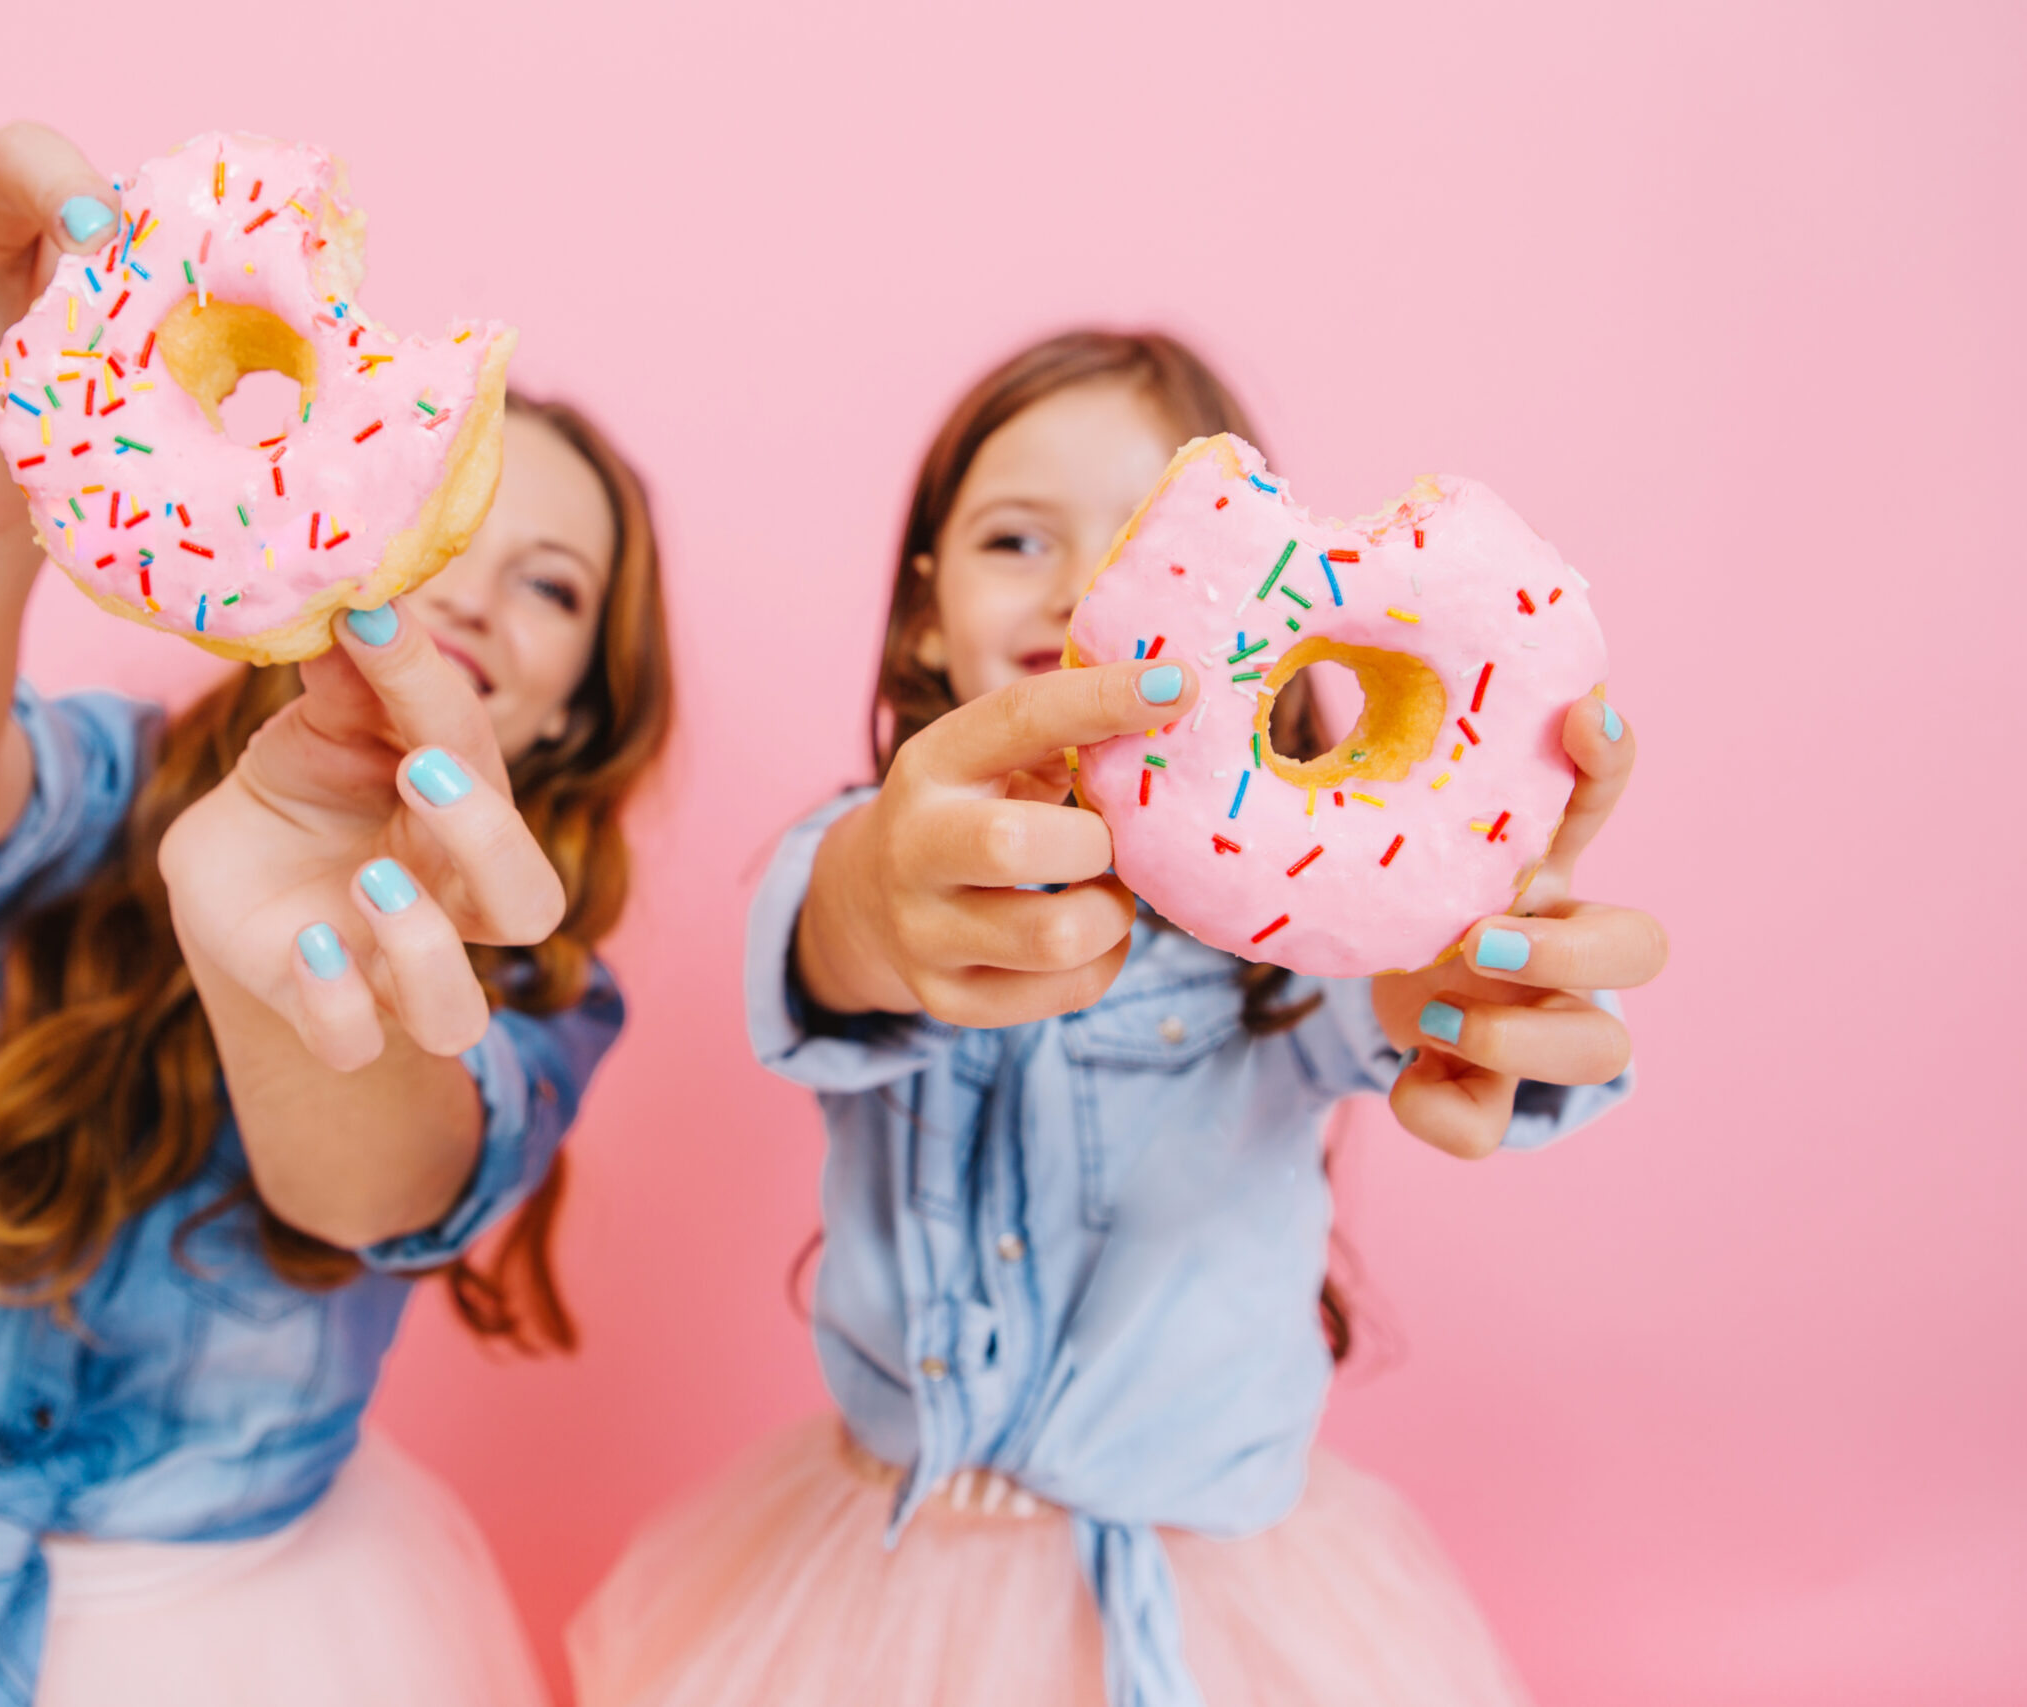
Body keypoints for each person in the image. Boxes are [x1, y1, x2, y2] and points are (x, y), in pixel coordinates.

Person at [0, 12, 670, 1704]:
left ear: (583, 705)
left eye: (555, 583)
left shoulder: (548, 979)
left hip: (256, 1629)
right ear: (285, 539)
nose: (482, 592)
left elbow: (369, 1194)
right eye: (441, 517)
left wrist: (286, 956)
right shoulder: (112, 788)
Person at [570, 330, 1663, 1707]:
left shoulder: (1304, 909)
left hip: (1216, 1592)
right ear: (922, 616)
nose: (1090, 583)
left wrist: (1480, 964)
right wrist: (874, 902)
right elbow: (833, 932)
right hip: (891, 1583)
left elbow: (1395, 989)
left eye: (1155, 542)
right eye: (1017, 539)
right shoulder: (876, 852)